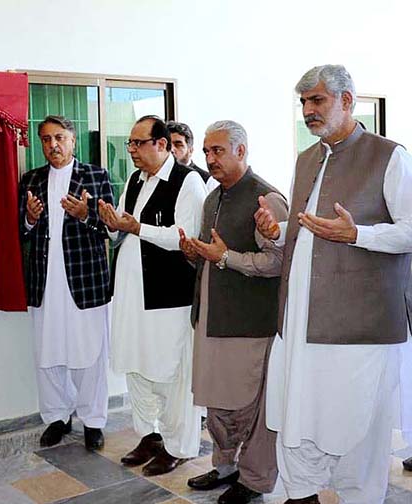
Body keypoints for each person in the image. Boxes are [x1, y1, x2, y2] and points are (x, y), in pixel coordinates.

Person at [257, 65, 412, 503]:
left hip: (359, 327)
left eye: (317, 100)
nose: (308, 111)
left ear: (348, 101)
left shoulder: (389, 156)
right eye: (303, 103)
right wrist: (278, 230)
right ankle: (301, 491)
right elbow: (310, 228)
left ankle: (359, 494)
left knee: (358, 422)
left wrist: (358, 234)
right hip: (302, 320)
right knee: (301, 412)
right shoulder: (308, 158)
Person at [180, 120, 287, 504]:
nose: (209, 159)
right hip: (211, 317)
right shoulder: (214, 198)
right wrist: (199, 255)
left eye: (218, 151)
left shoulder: (266, 199)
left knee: (252, 407)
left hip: (249, 323)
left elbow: (277, 263)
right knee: (217, 401)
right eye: (207, 152)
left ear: (242, 151)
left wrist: (225, 257)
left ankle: (255, 479)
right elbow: (213, 256)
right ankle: (225, 466)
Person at [98, 115, 206, 475]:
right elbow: (125, 230)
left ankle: (179, 445)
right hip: (132, 294)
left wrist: (136, 226)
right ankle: (150, 436)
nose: (131, 151)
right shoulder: (135, 179)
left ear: (161, 144)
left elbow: (185, 237)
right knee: (136, 364)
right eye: (130, 144)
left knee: (171, 373)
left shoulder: (187, 181)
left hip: (168, 297)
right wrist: (110, 222)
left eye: (138, 143)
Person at [19, 115, 114, 450]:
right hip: (45, 282)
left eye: (59, 137)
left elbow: (112, 229)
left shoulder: (96, 176)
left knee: (90, 353)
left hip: (85, 281)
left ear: (73, 141)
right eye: (45, 139)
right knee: (48, 352)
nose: (52, 145)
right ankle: (57, 417)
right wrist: (29, 218)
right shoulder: (31, 179)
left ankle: (93, 421)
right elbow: (20, 231)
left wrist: (85, 214)